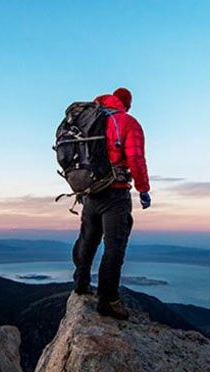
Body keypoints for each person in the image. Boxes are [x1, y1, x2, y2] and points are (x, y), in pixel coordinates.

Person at [71, 87, 151, 320]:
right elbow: (135, 157)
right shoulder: (127, 122)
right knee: (114, 246)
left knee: (88, 238)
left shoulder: (89, 119)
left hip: (90, 192)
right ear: (127, 103)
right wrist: (143, 189)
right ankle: (108, 300)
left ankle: (80, 282)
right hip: (115, 194)